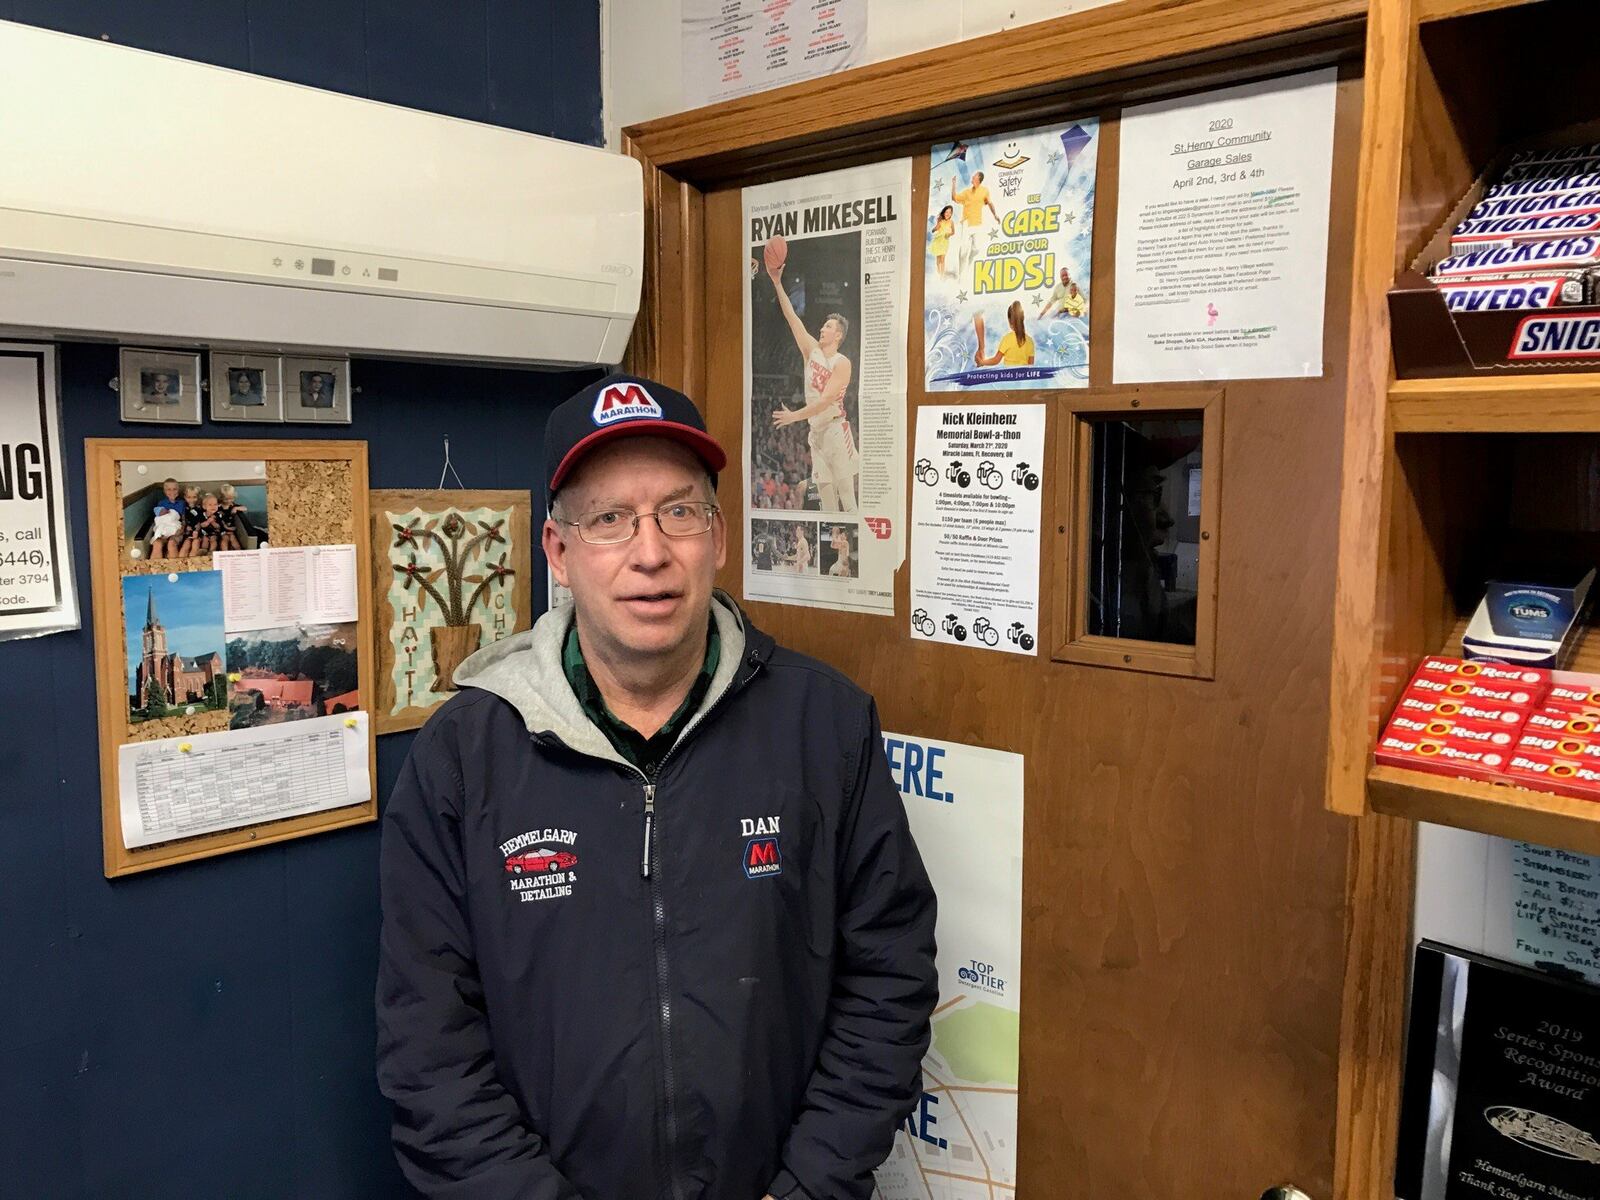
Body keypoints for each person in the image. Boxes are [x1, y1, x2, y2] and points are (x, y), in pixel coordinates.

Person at [376, 373, 937, 1200]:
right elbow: (430, 1055)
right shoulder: (463, 758)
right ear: (559, 554)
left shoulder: (825, 726)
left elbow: (889, 978)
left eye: (679, 512)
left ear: (716, 535)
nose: (651, 552)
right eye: (610, 520)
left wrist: (813, 1186)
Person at [759, 260, 860, 513]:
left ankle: (860, 548)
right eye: (823, 325)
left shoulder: (842, 362)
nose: (822, 329)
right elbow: (791, 317)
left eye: (828, 327)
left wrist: (794, 416)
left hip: (836, 430)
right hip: (816, 435)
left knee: (846, 498)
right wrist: (777, 282)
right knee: (826, 502)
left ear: (838, 335)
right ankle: (835, 551)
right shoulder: (811, 351)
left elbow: (826, 401)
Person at [951, 169, 1000, 277]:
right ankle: (961, 274)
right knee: (963, 250)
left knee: (976, 248)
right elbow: (954, 198)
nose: (972, 177)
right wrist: (953, 184)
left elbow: (990, 203)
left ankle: (969, 265)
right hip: (966, 222)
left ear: (979, 179)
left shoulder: (984, 191)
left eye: (974, 176)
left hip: (977, 223)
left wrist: (995, 215)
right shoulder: (967, 192)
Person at [974, 300, 1035, 367]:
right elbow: (1030, 366)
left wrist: (982, 362)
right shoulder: (1030, 341)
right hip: (1023, 377)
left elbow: (996, 360)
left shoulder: (1007, 338)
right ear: (1022, 319)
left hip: (1008, 376)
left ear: (1009, 321)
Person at [148, 478, 187, 560]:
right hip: (163, 529)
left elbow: (184, 520)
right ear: (164, 491)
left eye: (174, 489)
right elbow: (159, 519)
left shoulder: (182, 503)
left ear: (178, 490)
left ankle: (174, 568)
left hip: (176, 530)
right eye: (168, 489)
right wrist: (160, 532)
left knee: (171, 543)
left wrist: (181, 530)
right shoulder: (162, 503)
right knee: (157, 544)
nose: (172, 492)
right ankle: (155, 569)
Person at [929, 203, 955, 279]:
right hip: (938, 241)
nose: (948, 214)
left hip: (945, 241)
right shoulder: (940, 222)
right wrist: (934, 229)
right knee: (938, 259)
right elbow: (935, 229)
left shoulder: (951, 222)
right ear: (944, 213)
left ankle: (942, 275)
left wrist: (949, 234)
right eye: (946, 212)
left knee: (943, 258)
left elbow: (953, 232)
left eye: (950, 212)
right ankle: (938, 272)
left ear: (951, 214)